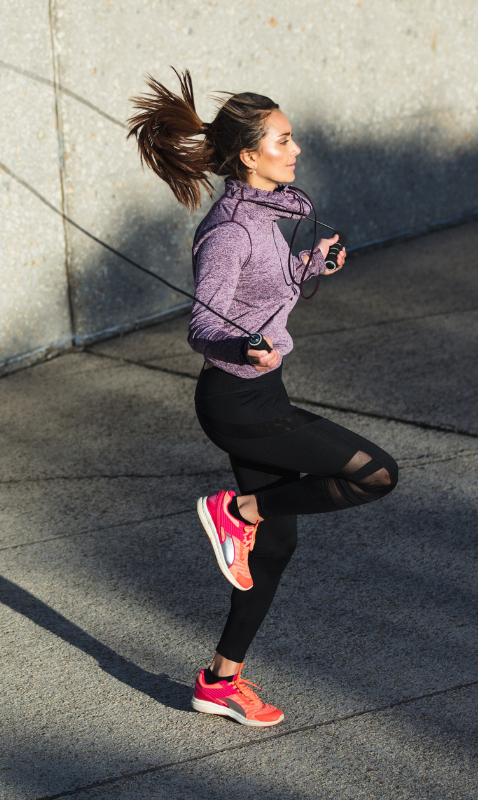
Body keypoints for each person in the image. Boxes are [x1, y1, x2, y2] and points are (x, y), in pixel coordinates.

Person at [128, 71, 397, 727]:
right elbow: (205, 324)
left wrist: (309, 269)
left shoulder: (275, 213)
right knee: (376, 473)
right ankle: (237, 509)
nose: (296, 147)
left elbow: (266, 295)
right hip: (239, 404)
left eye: (292, 136)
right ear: (250, 155)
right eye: (283, 139)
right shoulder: (229, 232)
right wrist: (242, 346)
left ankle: (220, 681)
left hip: (258, 392)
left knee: (274, 551)